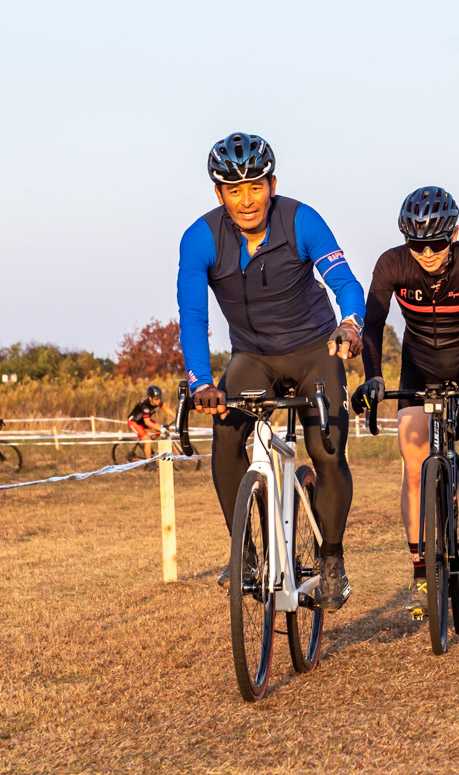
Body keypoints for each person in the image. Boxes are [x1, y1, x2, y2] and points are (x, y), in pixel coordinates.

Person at [176, 132, 366, 611]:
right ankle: (246, 554)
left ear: (272, 184)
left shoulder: (301, 219)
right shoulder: (200, 238)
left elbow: (343, 280)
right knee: (226, 434)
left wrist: (350, 323)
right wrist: (200, 381)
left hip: (315, 350)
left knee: (326, 450)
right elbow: (194, 316)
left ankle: (331, 561)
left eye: (255, 187)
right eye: (234, 190)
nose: (246, 200)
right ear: (219, 194)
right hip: (252, 357)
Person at [352, 186, 459, 619]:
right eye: (416, 243)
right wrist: (372, 378)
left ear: (454, 234)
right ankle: (421, 569)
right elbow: (373, 323)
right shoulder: (392, 264)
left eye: (436, 243)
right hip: (420, 362)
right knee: (412, 453)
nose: (426, 252)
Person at [126, 385, 166, 461]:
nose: (159, 401)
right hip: (134, 422)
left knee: (158, 430)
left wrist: (177, 416)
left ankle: (145, 444)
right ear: (150, 398)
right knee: (148, 440)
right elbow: (147, 422)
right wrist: (162, 429)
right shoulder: (145, 405)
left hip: (143, 420)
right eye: (156, 399)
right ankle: (149, 463)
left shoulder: (157, 402)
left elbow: (166, 409)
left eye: (160, 398)